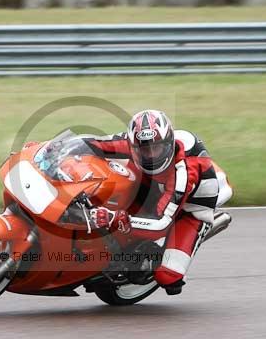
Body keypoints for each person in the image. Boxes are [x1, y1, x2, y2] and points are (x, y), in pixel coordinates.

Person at [86, 109, 232, 295]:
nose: (152, 155)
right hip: (155, 184)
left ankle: (202, 229)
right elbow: (93, 143)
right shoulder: (133, 142)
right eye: (144, 150)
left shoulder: (184, 172)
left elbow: (161, 225)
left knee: (169, 279)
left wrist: (115, 218)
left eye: (157, 148)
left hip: (191, 207)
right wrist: (46, 147)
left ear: (169, 144)